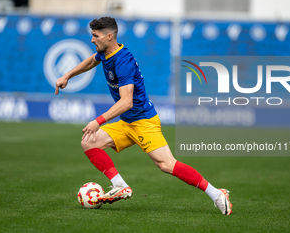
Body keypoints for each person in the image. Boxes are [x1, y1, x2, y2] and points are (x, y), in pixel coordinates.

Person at [55, 17, 233, 215]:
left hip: (143, 122)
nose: (92, 40)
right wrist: (67, 76)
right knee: (89, 142)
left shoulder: (123, 61)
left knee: (166, 164)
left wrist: (98, 121)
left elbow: (126, 102)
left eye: (95, 36)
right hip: (127, 122)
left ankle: (217, 194)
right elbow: (91, 61)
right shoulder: (105, 53)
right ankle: (120, 185)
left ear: (109, 36)